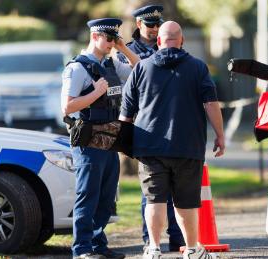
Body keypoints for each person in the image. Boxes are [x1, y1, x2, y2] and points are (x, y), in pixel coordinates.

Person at [119, 21, 225, 259]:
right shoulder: (198, 68)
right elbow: (211, 104)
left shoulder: (141, 68)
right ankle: (191, 249)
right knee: (186, 202)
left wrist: (124, 145)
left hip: (149, 147)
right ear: (182, 41)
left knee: (154, 199)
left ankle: (154, 249)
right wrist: (220, 134)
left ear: (159, 41)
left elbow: (125, 114)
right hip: (187, 147)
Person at [61, 18, 139, 259]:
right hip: (88, 143)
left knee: (106, 199)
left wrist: (123, 48)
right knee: (88, 196)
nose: (110, 43)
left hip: (109, 142)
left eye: (114, 39)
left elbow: (141, 69)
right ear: (95, 36)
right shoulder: (77, 68)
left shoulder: (112, 63)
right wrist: (96, 92)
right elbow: (67, 106)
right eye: (108, 39)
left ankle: (97, 245)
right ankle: (82, 249)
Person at [117, 4, 186, 252]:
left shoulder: (168, 45)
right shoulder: (127, 52)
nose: (155, 29)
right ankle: (150, 240)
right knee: (151, 190)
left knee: (176, 189)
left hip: (171, 125)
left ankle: (177, 239)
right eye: (150, 25)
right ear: (139, 25)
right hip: (143, 126)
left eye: (158, 25)